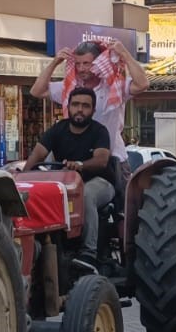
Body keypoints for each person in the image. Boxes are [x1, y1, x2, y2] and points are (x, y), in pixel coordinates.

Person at [25, 88, 113, 270]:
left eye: (85, 106)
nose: (80, 109)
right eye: (75, 105)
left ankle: (89, 253)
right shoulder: (58, 129)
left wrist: (80, 165)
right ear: (68, 107)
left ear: (93, 110)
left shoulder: (99, 131)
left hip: (99, 182)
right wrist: (22, 176)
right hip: (65, 184)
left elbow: (102, 160)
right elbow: (38, 153)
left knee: (86, 194)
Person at [31, 38, 150, 157]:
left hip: (113, 156)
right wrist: (54, 62)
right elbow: (37, 91)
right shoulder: (71, 87)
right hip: (76, 158)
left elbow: (142, 84)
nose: (81, 68)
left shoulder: (114, 86)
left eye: (86, 63)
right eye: (77, 64)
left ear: (98, 62)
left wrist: (124, 54)